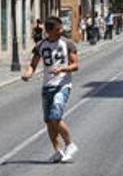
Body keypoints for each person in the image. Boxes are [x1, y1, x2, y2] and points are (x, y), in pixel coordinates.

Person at [22, 16, 80, 163]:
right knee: (49, 121)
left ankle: (70, 144)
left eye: (61, 28)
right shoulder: (40, 45)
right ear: (48, 31)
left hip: (63, 85)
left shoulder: (68, 44)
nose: (61, 31)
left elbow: (76, 65)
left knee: (55, 116)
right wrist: (28, 73)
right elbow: (33, 65)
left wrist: (63, 69)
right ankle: (58, 151)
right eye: (58, 29)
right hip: (47, 86)